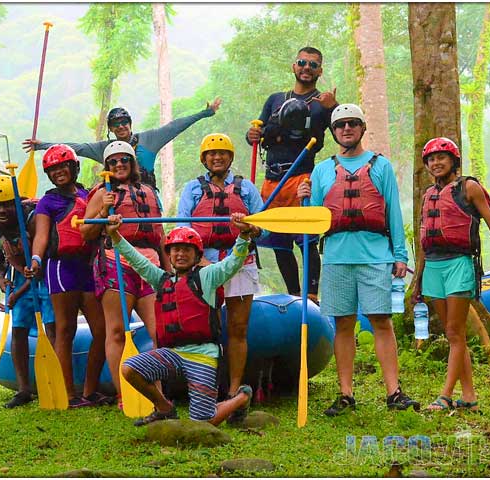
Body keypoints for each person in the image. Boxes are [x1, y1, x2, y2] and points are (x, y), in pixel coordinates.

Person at [297, 103, 419, 416]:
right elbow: (316, 220)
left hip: (375, 255)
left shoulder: (381, 166)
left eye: (352, 123)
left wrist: (400, 256)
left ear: (362, 128)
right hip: (337, 257)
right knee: (343, 325)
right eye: (340, 125)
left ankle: (394, 391)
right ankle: (346, 394)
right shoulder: (323, 169)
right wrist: (304, 199)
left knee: (381, 320)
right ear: (334, 131)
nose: (346, 129)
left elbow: (393, 211)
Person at [106, 218, 254, 426]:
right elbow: (138, 262)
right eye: (175, 250)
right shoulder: (162, 280)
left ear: (197, 255)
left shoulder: (208, 276)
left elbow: (233, 263)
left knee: (202, 423)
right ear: (169, 254)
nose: (180, 254)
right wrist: (115, 236)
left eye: (186, 250)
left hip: (203, 355)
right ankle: (165, 408)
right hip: (173, 354)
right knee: (130, 368)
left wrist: (244, 236)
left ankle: (242, 397)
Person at [414, 138, 490, 413]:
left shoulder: (469, 187)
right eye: (431, 159)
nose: (436, 163)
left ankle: (444, 395)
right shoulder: (428, 194)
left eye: (442, 157)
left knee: (455, 332)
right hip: (433, 267)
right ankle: (468, 396)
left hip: (459, 264)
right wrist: (419, 277)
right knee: (453, 334)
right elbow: (423, 241)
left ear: (454, 160)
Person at [176, 133, 264, 419]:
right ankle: (204, 390)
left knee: (237, 329)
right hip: (205, 265)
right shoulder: (192, 189)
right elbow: (183, 227)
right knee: (204, 330)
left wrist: (249, 229)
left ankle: (233, 390)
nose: (217, 158)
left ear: (230, 158)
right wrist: (199, 260)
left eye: (223, 153)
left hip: (240, 261)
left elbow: (264, 228)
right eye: (212, 154)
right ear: (204, 159)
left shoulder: (246, 189)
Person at [80, 141, 170, 407]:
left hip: (150, 266)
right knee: (117, 331)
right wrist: (102, 211)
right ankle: (123, 394)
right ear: (107, 166)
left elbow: (160, 235)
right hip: (115, 263)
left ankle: (157, 392)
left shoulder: (149, 192)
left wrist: (168, 271)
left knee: (159, 332)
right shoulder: (102, 193)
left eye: (124, 161)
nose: (119, 165)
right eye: (113, 162)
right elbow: (86, 232)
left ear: (133, 164)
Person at [247, 46, 338, 303]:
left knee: (306, 239)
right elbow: (257, 132)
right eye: (302, 62)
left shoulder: (323, 104)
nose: (306, 68)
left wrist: (334, 108)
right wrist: (251, 135)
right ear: (293, 66)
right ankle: (293, 296)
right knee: (279, 241)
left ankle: (312, 297)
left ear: (320, 70)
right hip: (272, 179)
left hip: (302, 177)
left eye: (312, 64)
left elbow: (346, 133)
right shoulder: (275, 99)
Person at [29, 145, 112, 408]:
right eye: (52, 170)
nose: (59, 173)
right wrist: (36, 259)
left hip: (89, 265)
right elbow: (42, 235)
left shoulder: (90, 195)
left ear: (73, 168)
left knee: (101, 329)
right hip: (60, 267)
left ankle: (89, 390)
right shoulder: (48, 202)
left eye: (63, 167)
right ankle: (68, 394)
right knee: (65, 330)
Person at [23, 99, 222, 190]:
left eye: (124, 122)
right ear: (111, 128)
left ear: (130, 124)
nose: (121, 127)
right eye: (116, 124)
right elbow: (77, 148)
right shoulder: (104, 149)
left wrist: (205, 113)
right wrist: (43, 145)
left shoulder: (149, 139)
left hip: (146, 198)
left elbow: (175, 127)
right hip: (118, 202)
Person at [0, 174, 56, 408]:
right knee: (19, 330)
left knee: (52, 328)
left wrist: (16, 294)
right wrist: (1, 279)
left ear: (17, 203)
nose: (2, 210)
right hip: (20, 279)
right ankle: (24, 390)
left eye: (7, 204)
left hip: (43, 275)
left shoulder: (32, 221)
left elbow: (41, 263)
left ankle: (55, 382)